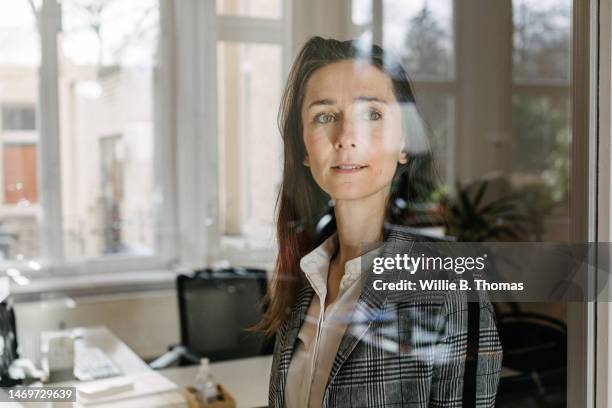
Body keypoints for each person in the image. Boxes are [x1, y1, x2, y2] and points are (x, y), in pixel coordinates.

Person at [259, 36, 502, 408]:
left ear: (404, 141)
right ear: (305, 149)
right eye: (325, 116)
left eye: (371, 114)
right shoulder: (304, 279)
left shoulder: (450, 284)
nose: (345, 138)